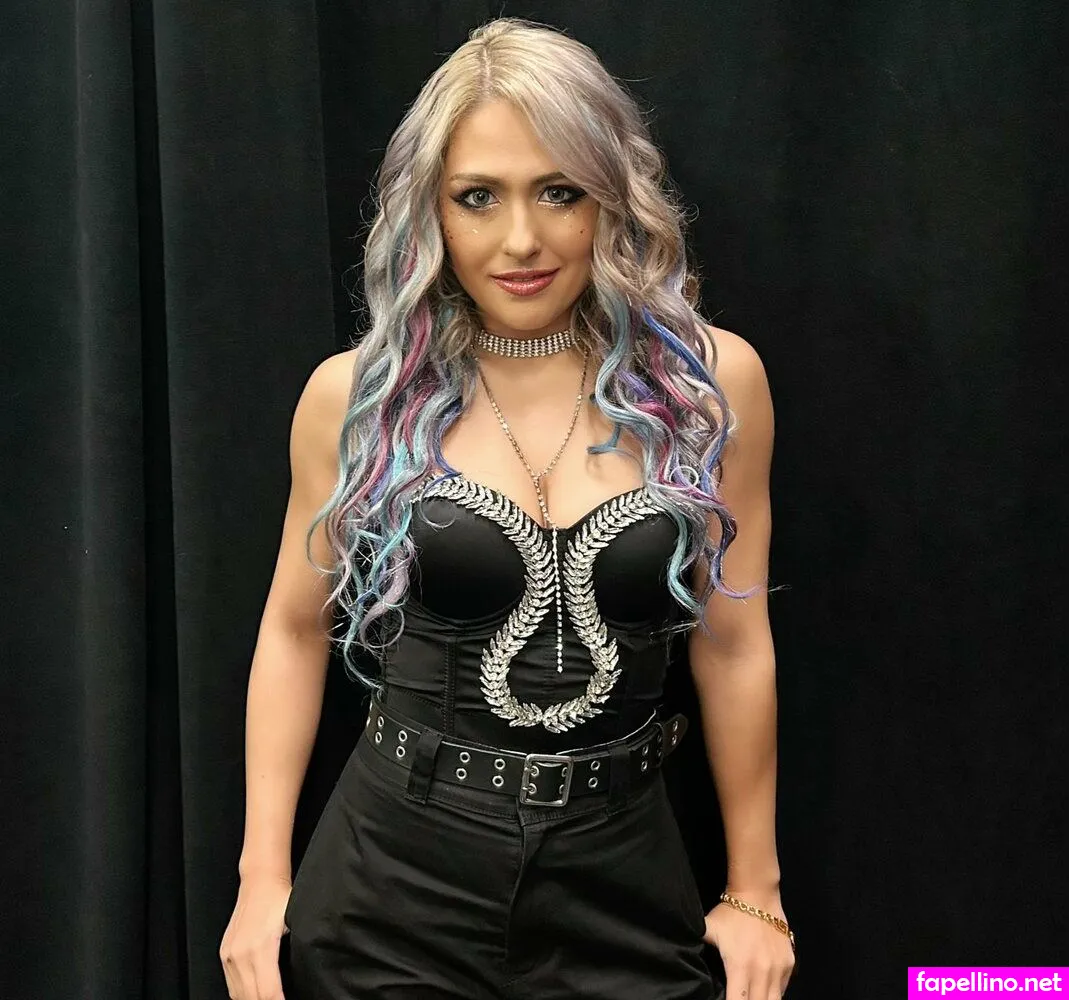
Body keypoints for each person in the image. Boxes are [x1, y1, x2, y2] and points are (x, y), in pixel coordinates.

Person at [219, 16, 794, 1000]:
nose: (520, 239)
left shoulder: (707, 386)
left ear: (610, 196)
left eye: (558, 191)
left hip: (621, 879)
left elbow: (734, 643)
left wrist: (756, 890)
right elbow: (292, 629)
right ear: (429, 211)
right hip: (391, 886)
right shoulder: (358, 398)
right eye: (477, 197)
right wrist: (260, 877)